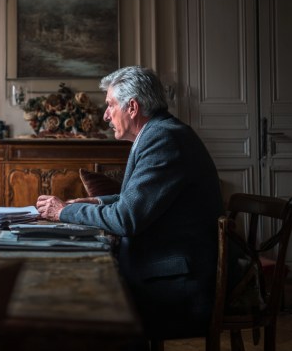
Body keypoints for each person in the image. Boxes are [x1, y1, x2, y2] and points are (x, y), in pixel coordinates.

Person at [36, 67, 242, 341]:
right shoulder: (162, 132)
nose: (105, 115)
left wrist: (64, 211)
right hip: (170, 270)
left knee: (78, 308)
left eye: (110, 105)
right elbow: (137, 199)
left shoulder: (163, 139)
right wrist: (95, 200)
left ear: (132, 107)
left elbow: (125, 219)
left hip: (180, 286)